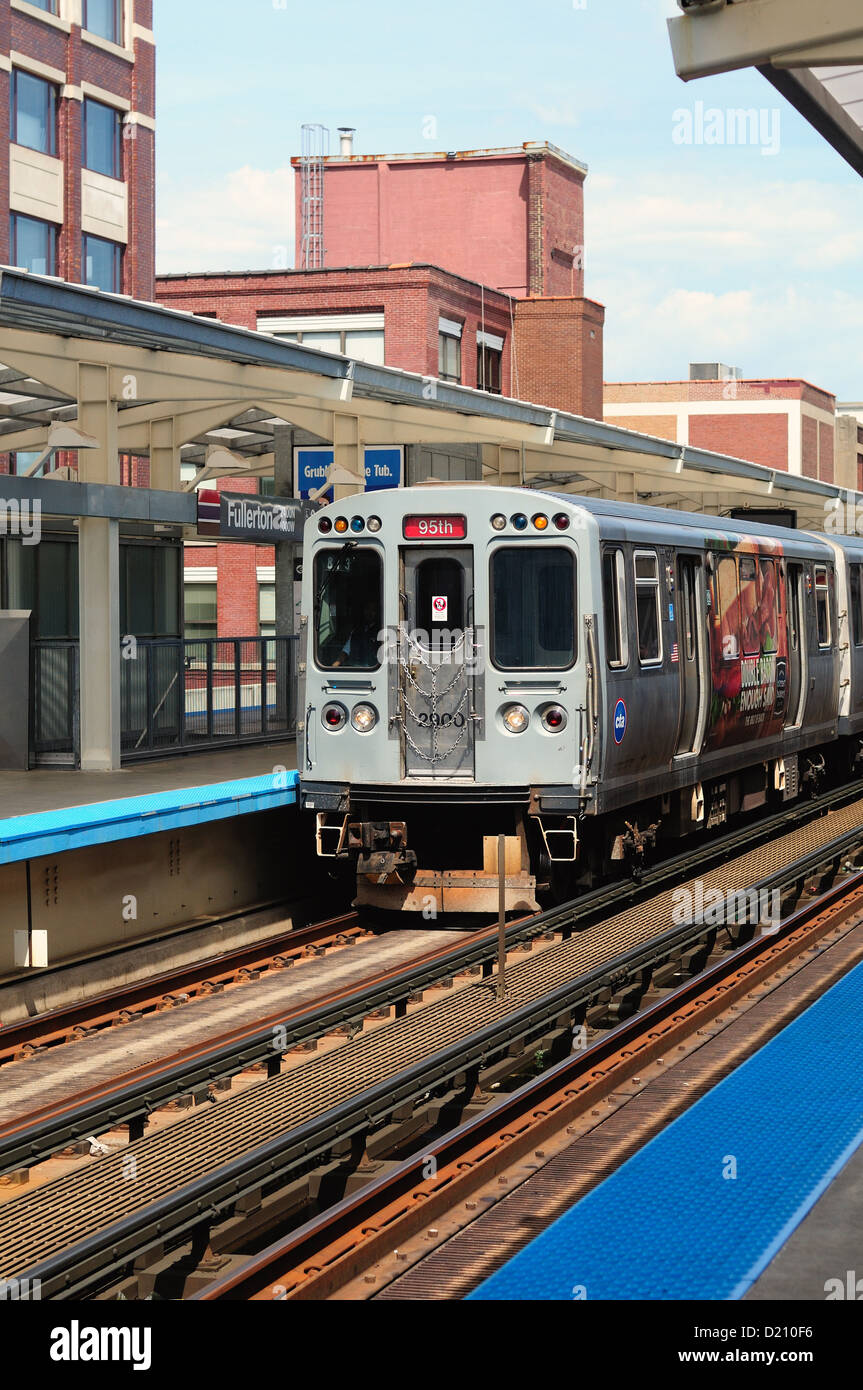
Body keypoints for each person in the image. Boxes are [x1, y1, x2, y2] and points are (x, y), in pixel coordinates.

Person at [332, 597, 379, 668]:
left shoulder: (381, 632)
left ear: (377, 613)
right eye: (367, 609)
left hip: (371, 671)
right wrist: (334, 666)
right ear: (363, 611)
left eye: (373, 610)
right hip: (354, 670)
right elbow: (345, 651)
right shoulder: (356, 631)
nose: (369, 612)